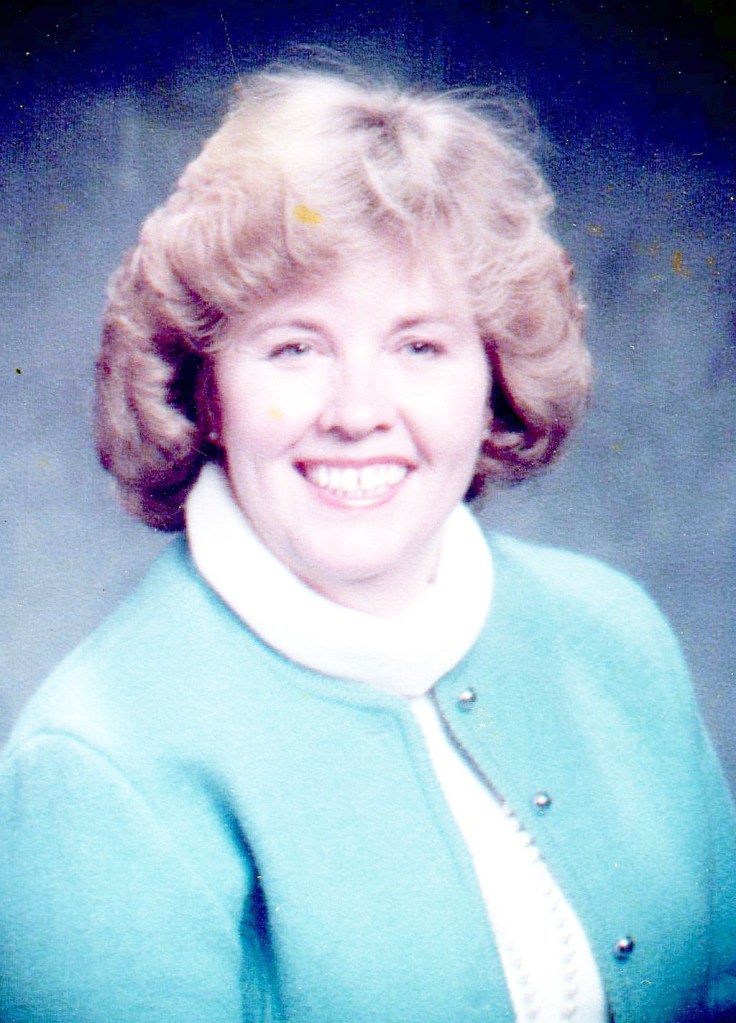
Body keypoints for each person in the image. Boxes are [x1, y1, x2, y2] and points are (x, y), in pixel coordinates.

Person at [1, 65, 734, 1023]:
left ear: (492, 378)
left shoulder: (614, 631)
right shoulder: (94, 768)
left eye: (419, 346)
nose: (357, 413)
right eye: (295, 347)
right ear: (206, 390)